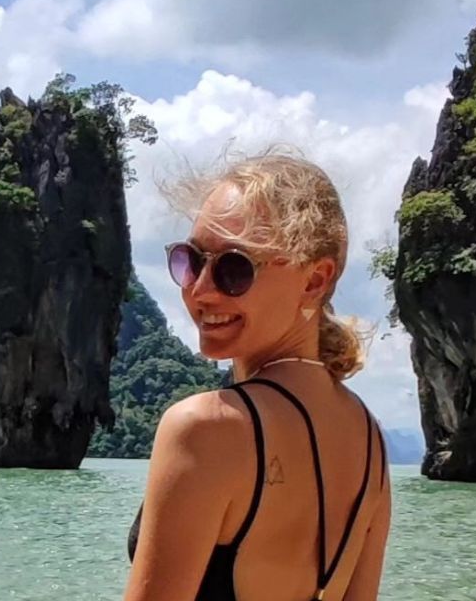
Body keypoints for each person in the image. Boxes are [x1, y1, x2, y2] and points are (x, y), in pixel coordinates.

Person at [123, 151, 391, 601]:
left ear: (314, 280)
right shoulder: (369, 442)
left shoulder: (206, 428)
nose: (200, 290)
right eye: (191, 260)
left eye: (233, 268)